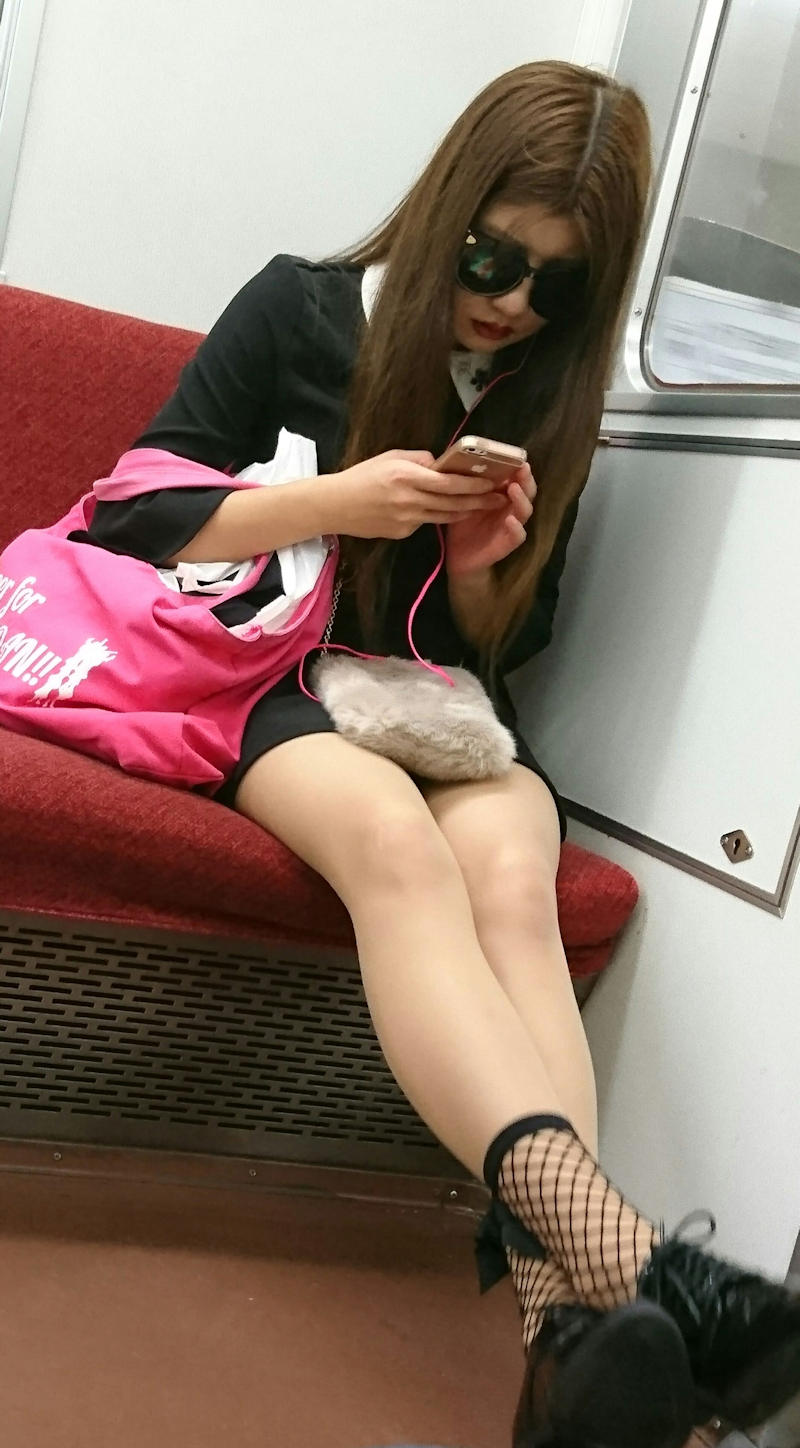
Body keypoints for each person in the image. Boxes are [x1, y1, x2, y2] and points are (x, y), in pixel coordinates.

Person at [30, 59, 800, 1448]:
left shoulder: (545, 392)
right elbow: (131, 518)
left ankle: (569, 1338)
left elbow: (502, 652)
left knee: (515, 863)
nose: (513, 302)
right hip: (264, 675)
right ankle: (629, 1272)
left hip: (427, 698)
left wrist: (488, 567)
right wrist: (339, 498)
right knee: (394, 841)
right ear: (448, 213)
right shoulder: (302, 305)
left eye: (557, 283)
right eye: (492, 258)